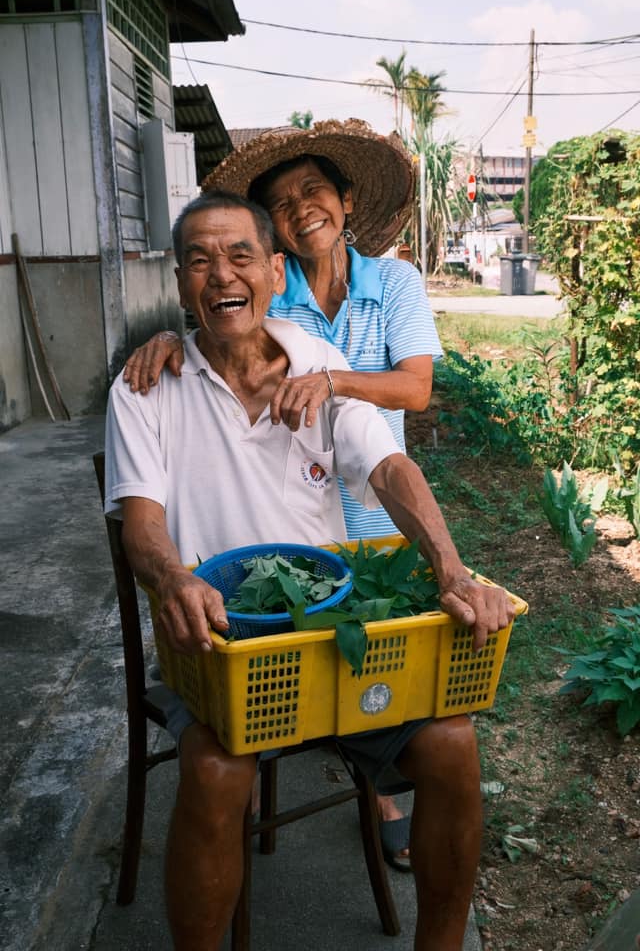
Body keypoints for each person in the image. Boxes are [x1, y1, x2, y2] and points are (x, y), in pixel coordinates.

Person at [105, 188, 515, 951]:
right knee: (218, 768)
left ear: (273, 268)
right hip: (222, 639)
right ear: (178, 279)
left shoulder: (317, 364)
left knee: (452, 741)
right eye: (198, 260)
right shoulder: (147, 384)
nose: (220, 275)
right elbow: (142, 523)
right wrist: (173, 580)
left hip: (330, 638)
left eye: (239, 256)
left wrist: (452, 569)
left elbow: (388, 468)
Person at [123, 119, 443, 868]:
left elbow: (415, 389)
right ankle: (301, 769)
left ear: (347, 200)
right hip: (306, 500)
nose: (303, 209)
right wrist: (167, 341)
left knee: (396, 675)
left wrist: (331, 380)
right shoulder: (273, 296)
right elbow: (223, 327)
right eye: (283, 198)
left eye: (315, 191)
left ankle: (383, 789)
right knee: (276, 631)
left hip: (374, 498)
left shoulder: (391, 283)